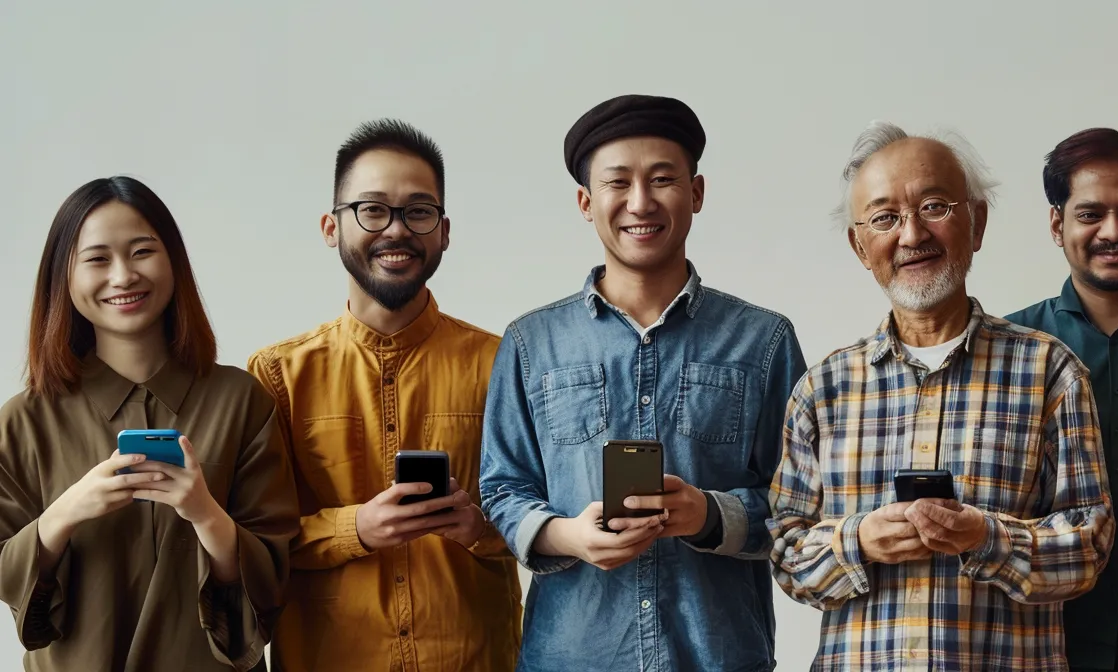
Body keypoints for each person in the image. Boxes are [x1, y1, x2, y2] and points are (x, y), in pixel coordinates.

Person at [769, 122, 1112, 671]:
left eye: (934, 206)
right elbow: (786, 555)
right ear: (861, 246)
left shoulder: (1050, 371)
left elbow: (1090, 546)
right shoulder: (822, 389)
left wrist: (985, 536)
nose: (911, 235)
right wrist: (859, 542)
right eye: (885, 217)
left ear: (975, 222)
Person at [480, 94, 805, 672]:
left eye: (662, 179)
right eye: (617, 183)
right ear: (585, 201)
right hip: (572, 657)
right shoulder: (531, 343)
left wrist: (708, 514)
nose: (640, 202)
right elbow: (502, 491)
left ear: (697, 193)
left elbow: (802, 505)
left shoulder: (764, 340)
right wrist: (567, 536)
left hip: (718, 657)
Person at [249, 119, 523, 671]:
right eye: (372, 210)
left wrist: (481, 528)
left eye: (418, 211)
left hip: (472, 659)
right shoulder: (277, 374)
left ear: (444, 231)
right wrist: (357, 529)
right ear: (332, 226)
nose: (396, 230)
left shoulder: (503, 362)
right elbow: (256, 541)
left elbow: (551, 516)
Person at [0, 177, 299, 670]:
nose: (123, 276)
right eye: (97, 259)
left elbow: (270, 578)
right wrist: (65, 513)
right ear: (64, 277)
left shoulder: (241, 401)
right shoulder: (25, 420)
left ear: (173, 263)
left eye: (142, 252)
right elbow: (11, 580)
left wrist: (205, 514)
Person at [1006, 127, 1118, 672]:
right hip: (1048, 638)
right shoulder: (1009, 350)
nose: (1114, 231)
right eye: (1090, 214)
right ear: (1057, 224)